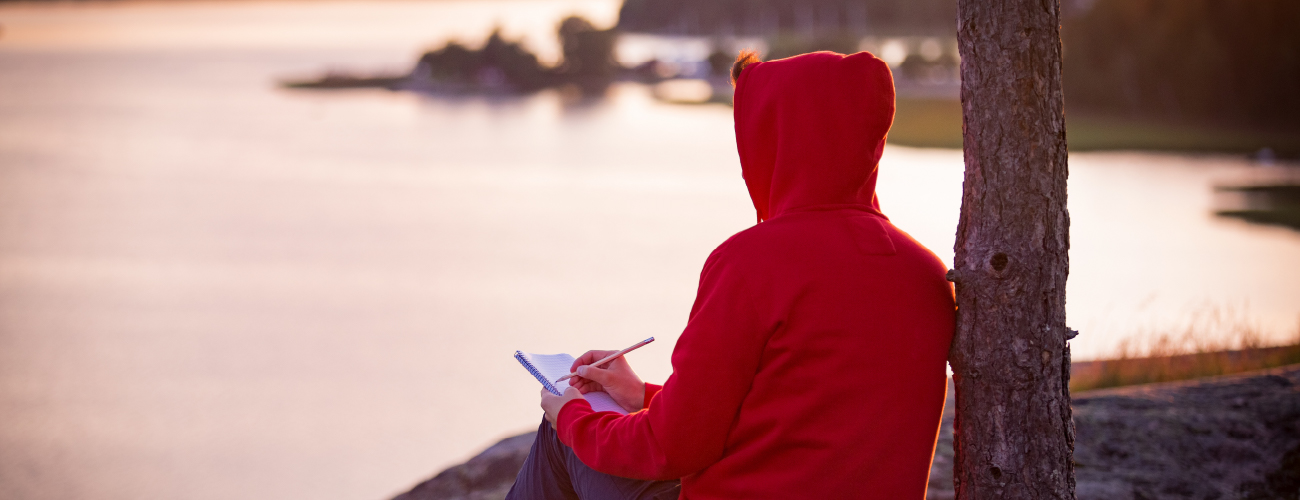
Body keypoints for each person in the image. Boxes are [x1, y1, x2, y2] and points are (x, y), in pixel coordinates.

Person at [506, 49, 956, 500]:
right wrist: (642, 396)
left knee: (562, 437)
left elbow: (671, 448)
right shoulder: (926, 272)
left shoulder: (752, 263)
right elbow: (801, 415)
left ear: (775, 139)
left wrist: (573, 417)